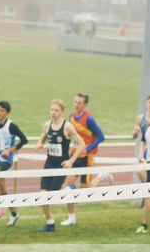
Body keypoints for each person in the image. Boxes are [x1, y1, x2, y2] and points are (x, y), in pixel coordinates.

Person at [0, 100, 27, 226]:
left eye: (2, 111)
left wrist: (10, 150)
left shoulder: (11, 126)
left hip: (6, 160)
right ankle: (14, 214)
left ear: (8, 113)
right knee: (3, 189)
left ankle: (0, 205)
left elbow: (24, 140)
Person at [64, 92, 106, 220]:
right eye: (75, 102)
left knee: (85, 190)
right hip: (74, 156)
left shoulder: (89, 119)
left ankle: (101, 176)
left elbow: (101, 136)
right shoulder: (71, 116)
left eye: (79, 103)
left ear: (85, 105)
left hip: (87, 158)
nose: (76, 105)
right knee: (68, 188)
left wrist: (87, 149)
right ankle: (71, 217)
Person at [37, 99, 72, 232]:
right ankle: (50, 223)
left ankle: (69, 190)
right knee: (43, 195)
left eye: (56, 110)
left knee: (52, 196)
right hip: (49, 163)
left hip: (61, 165)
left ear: (62, 112)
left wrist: (70, 161)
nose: (53, 112)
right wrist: (40, 143)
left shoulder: (67, 126)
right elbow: (43, 136)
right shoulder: (47, 125)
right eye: (51, 110)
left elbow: (81, 144)